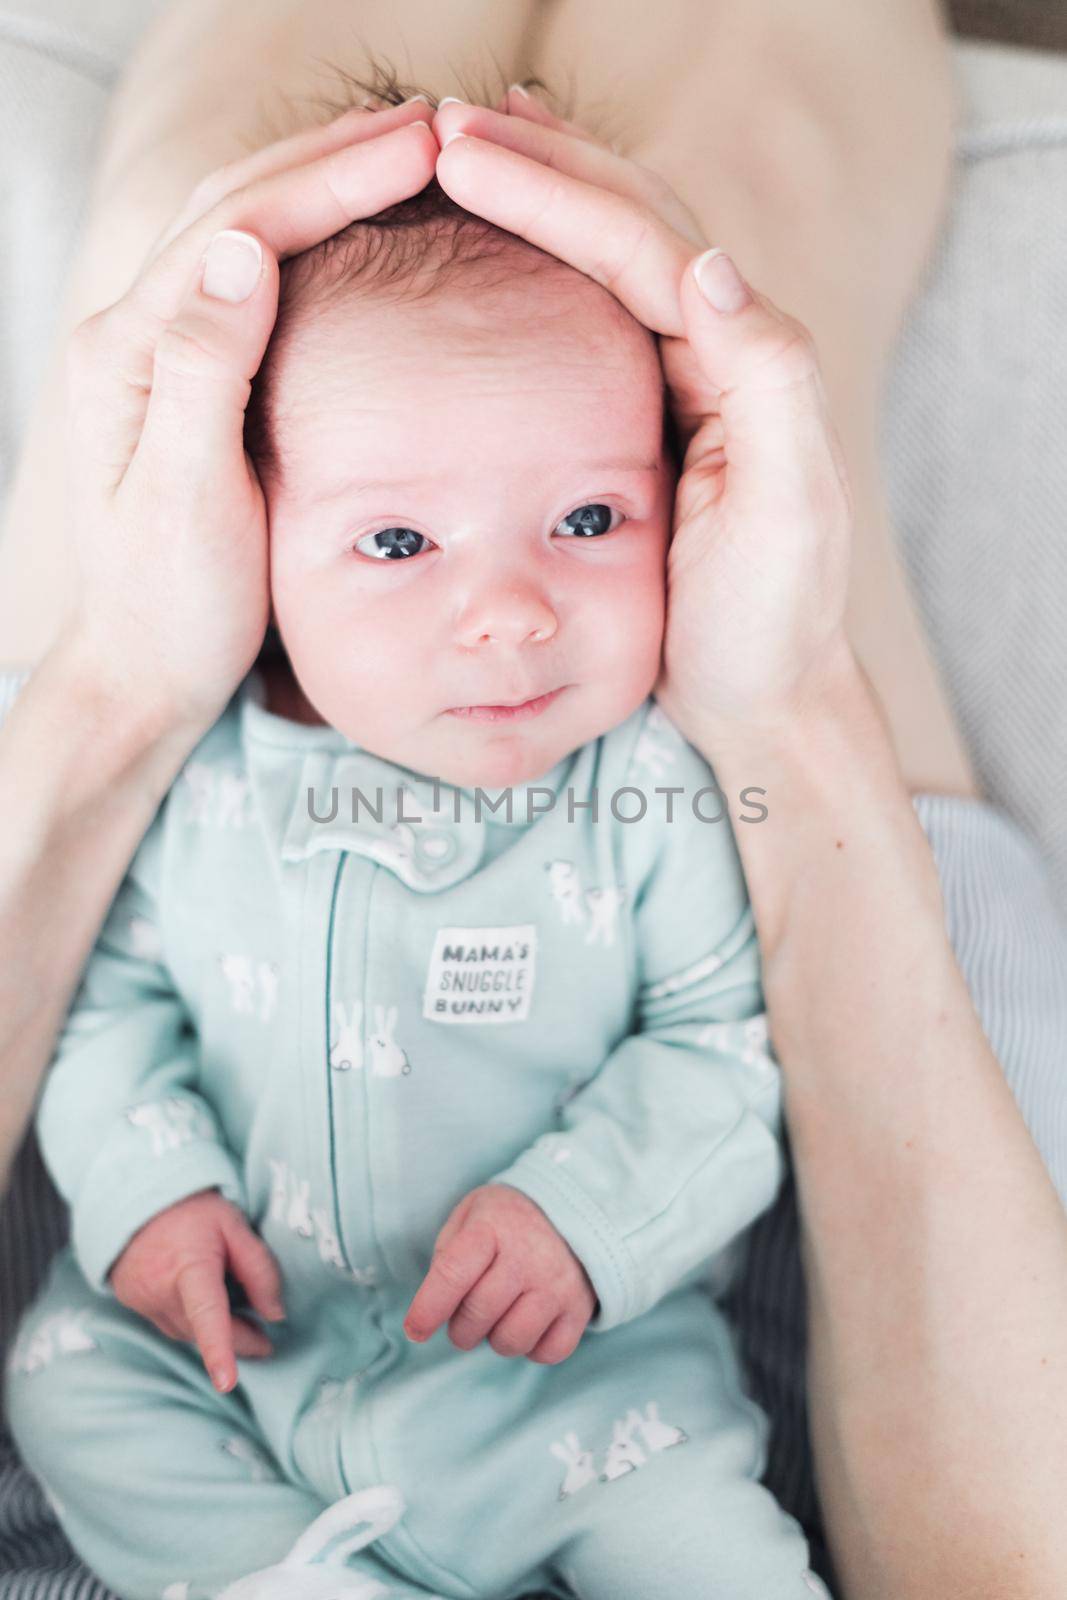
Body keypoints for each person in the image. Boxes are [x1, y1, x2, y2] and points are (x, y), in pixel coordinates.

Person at [0, 6, 1065, 1597]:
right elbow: (120, 1015)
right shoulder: (264, 786)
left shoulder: (643, 795)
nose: (506, 617)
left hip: (575, 1377)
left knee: (269, 232)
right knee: (714, 228)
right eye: (399, 546)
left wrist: (118, 688)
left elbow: (713, 1050)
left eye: (583, 517)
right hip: (304, 1380)